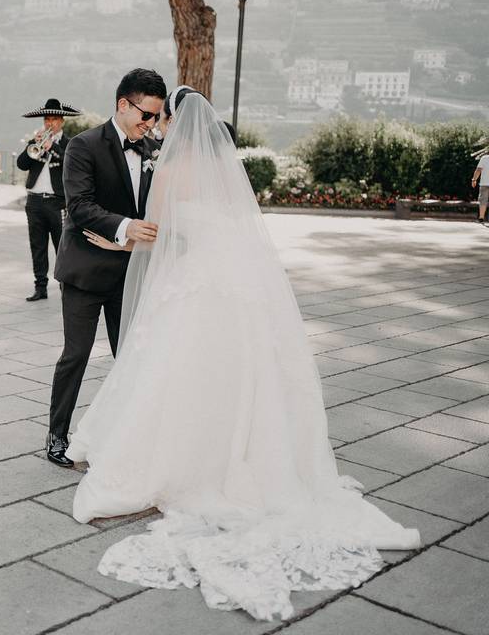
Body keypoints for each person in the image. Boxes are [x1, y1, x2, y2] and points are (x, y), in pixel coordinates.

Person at [65, 87, 421, 620]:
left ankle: (182, 455)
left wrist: (122, 244)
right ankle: (248, 451)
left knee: (175, 369)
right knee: (237, 369)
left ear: (176, 124)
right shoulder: (227, 173)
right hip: (237, 287)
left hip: (191, 283)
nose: (157, 125)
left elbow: (161, 234)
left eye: (163, 118)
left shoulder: (166, 171)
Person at [45, 70, 163, 466]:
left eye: (156, 118)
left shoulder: (150, 151)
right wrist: (126, 227)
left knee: (129, 356)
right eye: (146, 115)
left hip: (129, 273)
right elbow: (79, 207)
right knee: (75, 355)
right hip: (84, 270)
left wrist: (133, 238)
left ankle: (129, 435)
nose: (150, 125)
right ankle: (57, 435)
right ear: (122, 105)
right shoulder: (84, 145)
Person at [17, 98, 81, 302]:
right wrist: (36, 146)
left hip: (56, 202)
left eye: (53, 119)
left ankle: (65, 286)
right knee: (37, 245)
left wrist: (52, 147)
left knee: (61, 246)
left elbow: (69, 163)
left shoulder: (69, 143)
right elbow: (21, 164)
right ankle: (40, 287)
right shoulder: (36, 140)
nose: (49, 123)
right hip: (34, 201)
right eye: (47, 119)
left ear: (61, 121)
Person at [472, 148, 489, 224]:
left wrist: (474, 180)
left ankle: (481, 218)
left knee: (483, 200)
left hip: (484, 183)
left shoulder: (484, 158)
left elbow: (478, 170)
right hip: (484, 183)